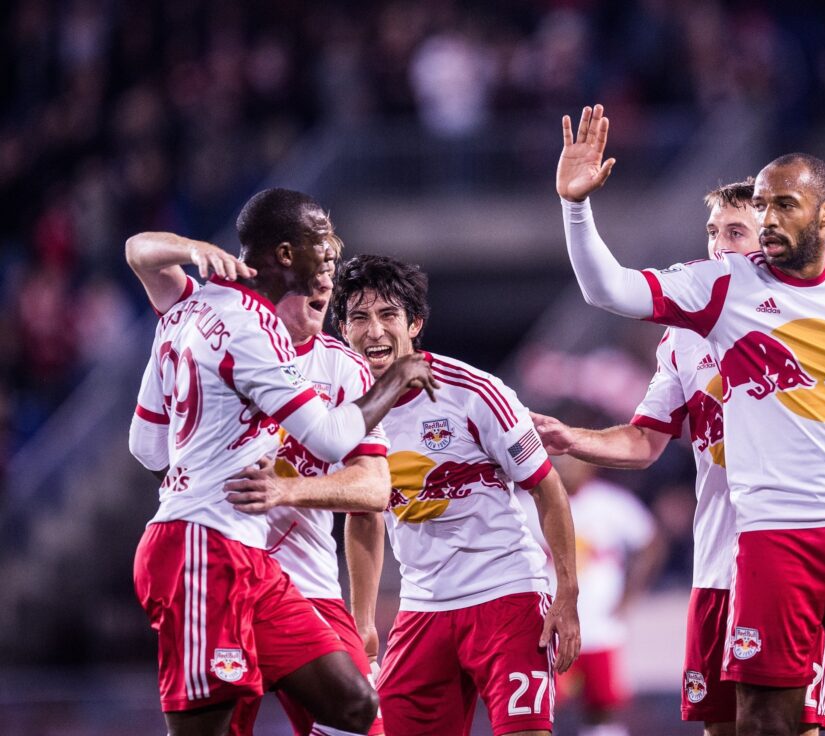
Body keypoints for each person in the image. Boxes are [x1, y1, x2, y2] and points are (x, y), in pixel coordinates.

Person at [554, 105, 825, 736]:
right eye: (761, 206)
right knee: (761, 724)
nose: (769, 220)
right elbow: (610, 290)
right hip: (774, 538)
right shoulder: (724, 287)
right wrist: (576, 207)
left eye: (784, 205)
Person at [531, 179, 825, 736]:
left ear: (773, 238)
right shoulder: (684, 338)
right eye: (712, 232)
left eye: (735, 233)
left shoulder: (816, 321)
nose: (718, 247)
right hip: (717, 564)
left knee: (794, 727)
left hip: (796, 559)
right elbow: (643, 441)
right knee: (720, 728)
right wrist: (570, 438)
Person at [128, 188, 434, 736]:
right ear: (288, 255)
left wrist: (200, 476)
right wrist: (397, 378)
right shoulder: (255, 328)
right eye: (322, 247)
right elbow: (331, 436)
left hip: (254, 563)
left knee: (356, 708)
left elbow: (146, 445)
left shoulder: (186, 306)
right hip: (206, 551)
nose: (331, 260)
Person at [334, 254, 581, 736]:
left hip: (506, 596)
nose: (374, 331)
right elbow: (363, 516)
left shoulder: (475, 392)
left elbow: (547, 488)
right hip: (422, 607)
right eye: (359, 317)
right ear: (343, 330)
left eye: (388, 314)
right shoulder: (343, 414)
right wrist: (362, 622)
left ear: (414, 324)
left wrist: (567, 595)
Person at [517, 452, 666, 736]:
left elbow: (650, 543)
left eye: (572, 461)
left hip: (600, 627)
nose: (566, 468)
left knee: (602, 710)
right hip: (548, 629)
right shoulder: (528, 505)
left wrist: (629, 597)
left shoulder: (610, 503)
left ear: (588, 464)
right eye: (559, 462)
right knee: (543, 708)